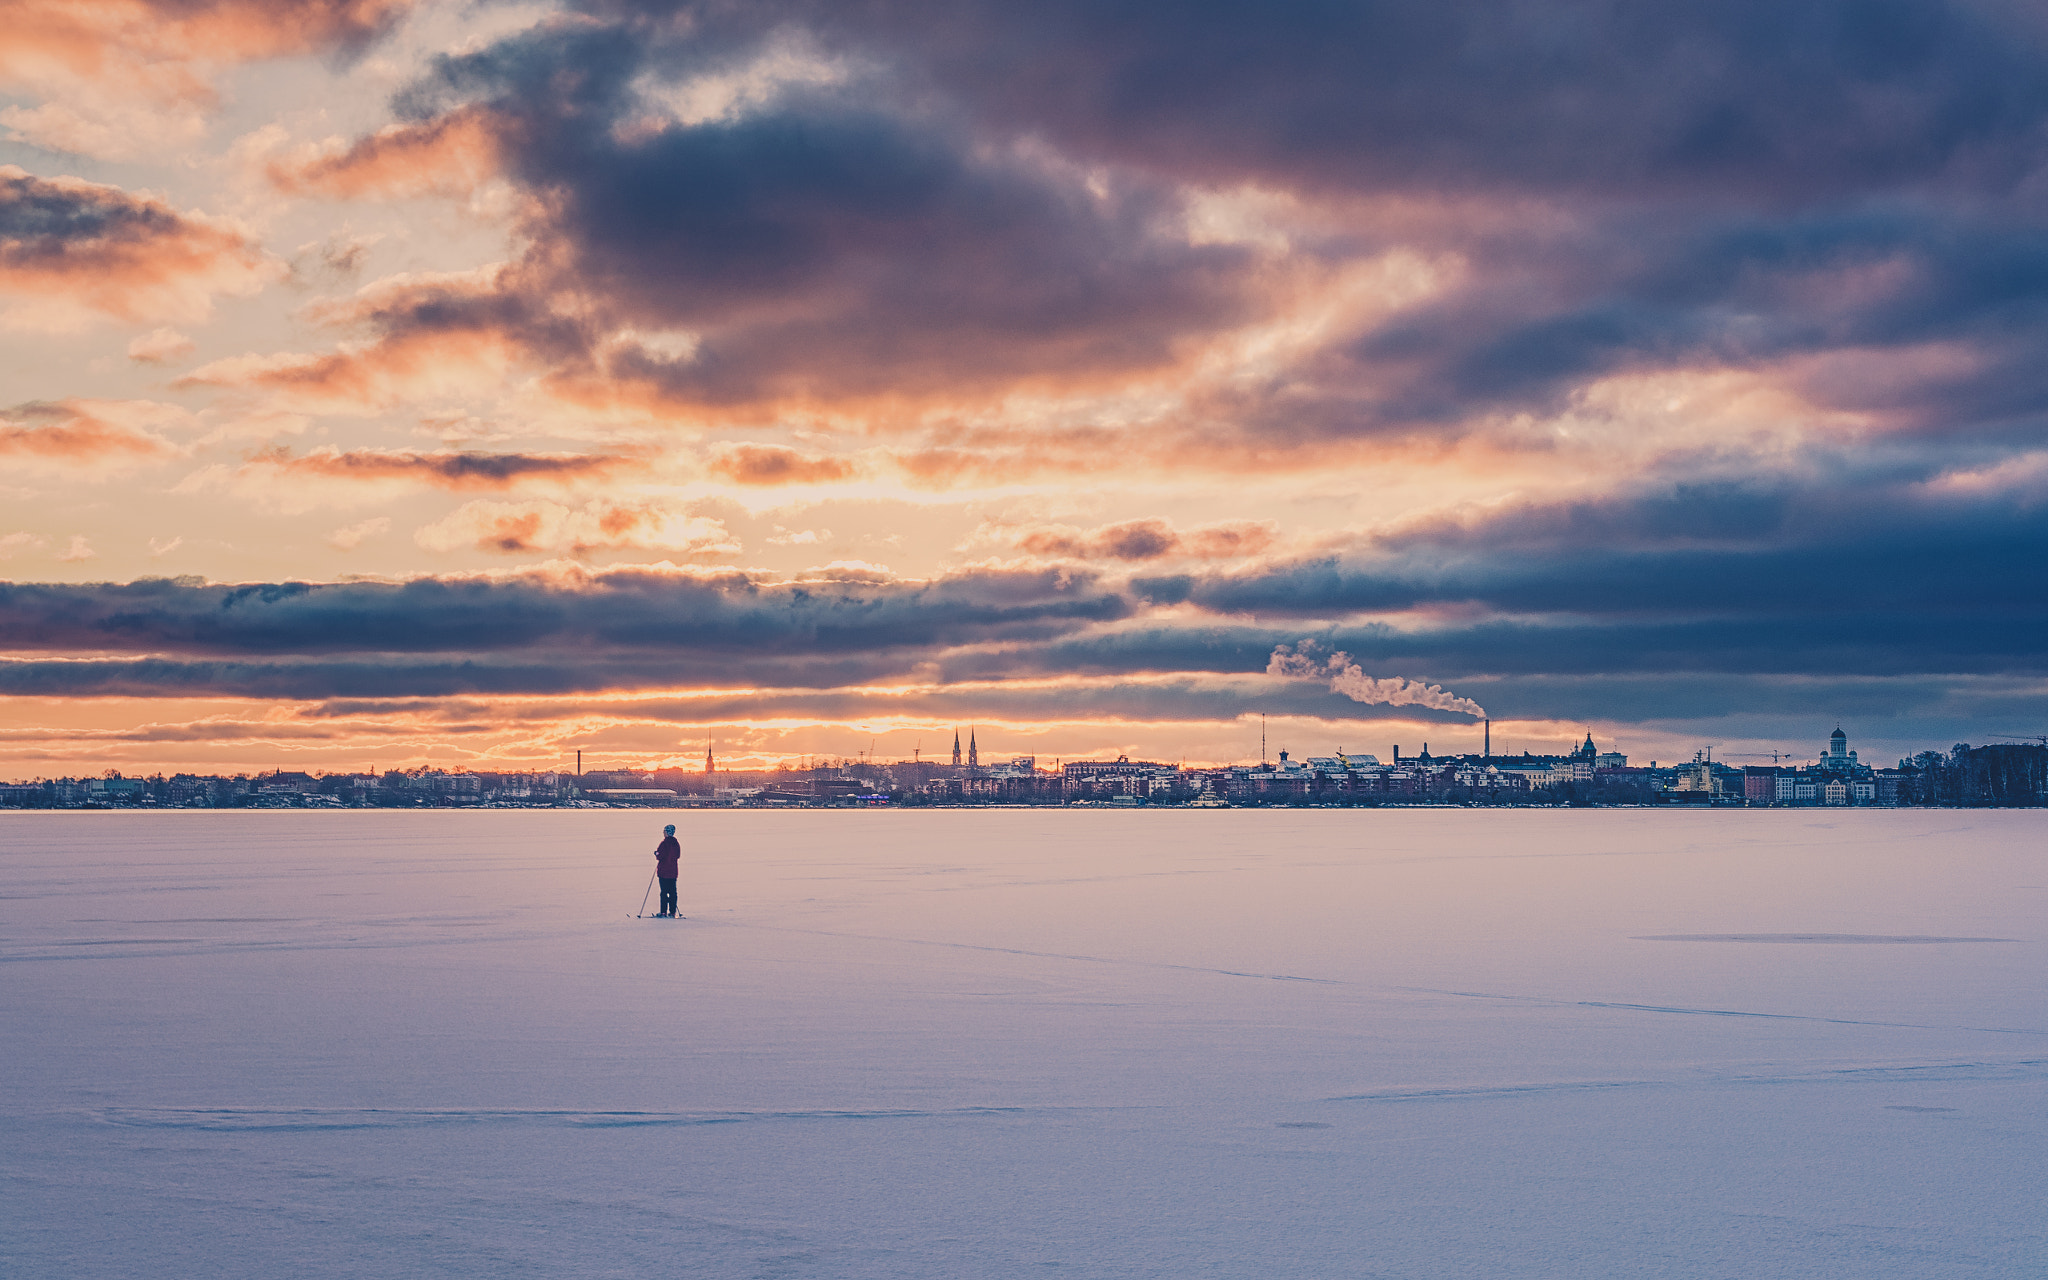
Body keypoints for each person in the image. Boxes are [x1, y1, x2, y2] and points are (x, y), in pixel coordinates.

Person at [653, 823, 681, 917]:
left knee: (664, 892)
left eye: (664, 831)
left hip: (664, 872)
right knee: (673, 892)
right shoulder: (676, 843)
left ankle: (663, 912)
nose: (663, 833)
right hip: (673, 872)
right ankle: (672, 912)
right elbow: (677, 855)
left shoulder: (664, 843)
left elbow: (660, 856)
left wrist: (656, 853)